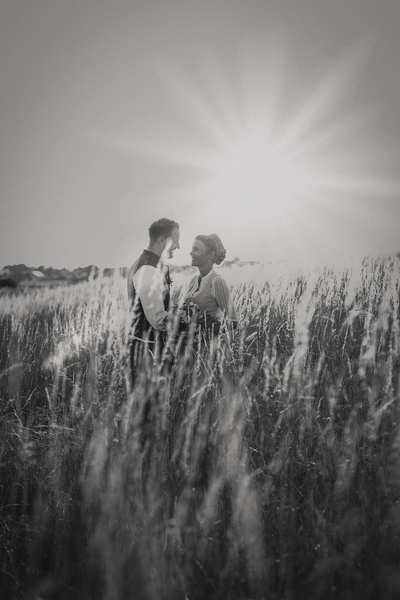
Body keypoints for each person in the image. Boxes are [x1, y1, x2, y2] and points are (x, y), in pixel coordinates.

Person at [127, 218, 180, 385]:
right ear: (162, 240)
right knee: (149, 400)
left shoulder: (147, 264)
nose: (178, 246)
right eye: (175, 241)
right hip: (148, 353)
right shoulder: (147, 269)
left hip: (147, 350)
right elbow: (158, 319)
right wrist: (189, 322)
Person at [184, 234, 237, 336]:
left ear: (210, 255)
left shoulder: (217, 281)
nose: (191, 253)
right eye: (192, 249)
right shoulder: (193, 281)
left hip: (207, 344)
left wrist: (203, 329)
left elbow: (233, 322)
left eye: (196, 249)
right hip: (189, 343)